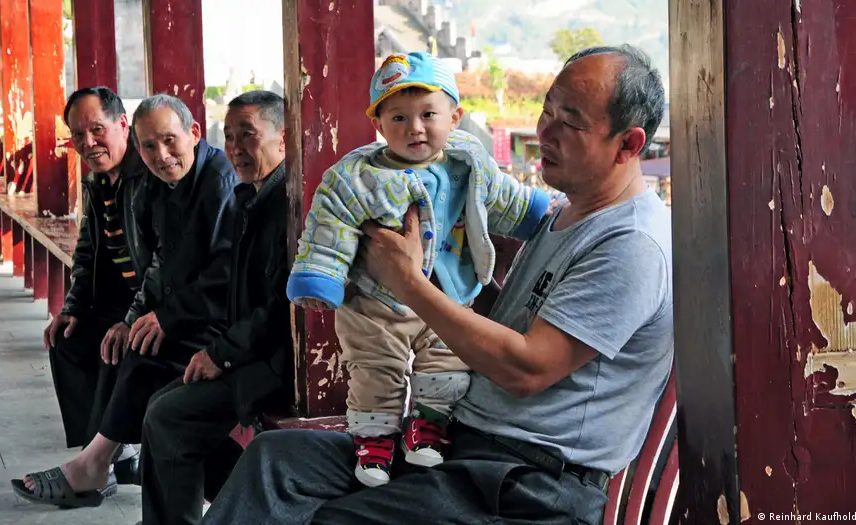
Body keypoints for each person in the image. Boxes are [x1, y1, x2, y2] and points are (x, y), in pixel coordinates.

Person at [201, 44, 673, 525]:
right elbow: (488, 307)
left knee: (331, 520)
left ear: (628, 144)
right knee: (272, 461)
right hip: (464, 445)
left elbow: (527, 371)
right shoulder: (566, 214)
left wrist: (409, 283)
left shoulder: (631, 244)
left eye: (570, 122)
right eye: (547, 110)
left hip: (527, 483)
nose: (545, 131)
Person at [286, 51, 552, 486]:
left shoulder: (469, 164)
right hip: (375, 301)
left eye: (429, 114)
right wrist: (319, 275)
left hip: (449, 295)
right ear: (378, 125)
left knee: (448, 363)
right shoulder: (357, 177)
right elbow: (329, 225)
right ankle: (374, 441)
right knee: (375, 368)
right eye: (399, 118)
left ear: (455, 117)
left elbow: (502, 198)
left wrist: (535, 210)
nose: (415, 128)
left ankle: (429, 424)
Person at [14, 92, 241, 509]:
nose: (161, 154)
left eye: (97, 129)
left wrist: (156, 317)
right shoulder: (151, 181)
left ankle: (99, 462)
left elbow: (222, 275)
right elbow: (149, 260)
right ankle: (103, 459)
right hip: (177, 309)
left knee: (148, 375)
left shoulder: (212, 180)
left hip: (226, 325)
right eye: (150, 146)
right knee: (85, 342)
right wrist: (80, 308)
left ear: (194, 133)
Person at [136, 90, 293, 525]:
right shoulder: (252, 198)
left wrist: (220, 355)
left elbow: (278, 309)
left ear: (284, 138)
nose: (236, 148)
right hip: (247, 351)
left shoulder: (287, 207)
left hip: (278, 364)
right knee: (158, 403)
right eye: (230, 137)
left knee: (170, 418)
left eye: (248, 135)